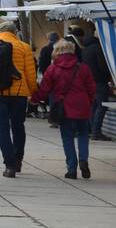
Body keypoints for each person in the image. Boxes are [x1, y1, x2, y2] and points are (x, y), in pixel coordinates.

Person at [0, 20, 37, 177]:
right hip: (18, 93)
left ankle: (9, 165)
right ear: (15, 32)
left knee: (2, 128)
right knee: (18, 126)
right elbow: (30, 74)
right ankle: (18, 160)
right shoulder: (24, 47)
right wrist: (33, 92)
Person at [33, 39, 96, 179]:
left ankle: (72, 169)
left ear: (56, 52)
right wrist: (89, 102)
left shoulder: (52, 69)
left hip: (64, 108)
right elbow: (92, 88)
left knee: (67, 137)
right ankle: (83, 159)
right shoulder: (83, 67)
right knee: (83, 134)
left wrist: (35, 99)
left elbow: (45, 89)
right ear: (72, 51)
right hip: (82, 106)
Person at [76, 26, 113, 141]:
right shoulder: (98, 48)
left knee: (93, 106)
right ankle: (96, 131)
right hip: (100, 81)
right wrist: (109, 76)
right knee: (101, 106)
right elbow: (102, 65)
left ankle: (92, 130)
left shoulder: (84, 49)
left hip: (88, 82)